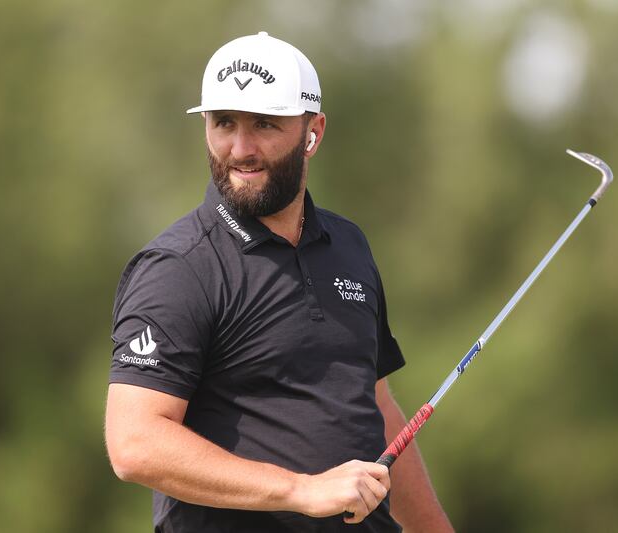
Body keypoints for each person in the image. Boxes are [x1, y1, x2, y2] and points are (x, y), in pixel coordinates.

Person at [104, 31, 454, 532]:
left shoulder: (349, 245)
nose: (240, 149)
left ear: (314, 131)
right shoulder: (178, 267)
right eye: (224, 123)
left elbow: (374, 404)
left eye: (265, 124)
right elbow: (134, 444)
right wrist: (301, 490)